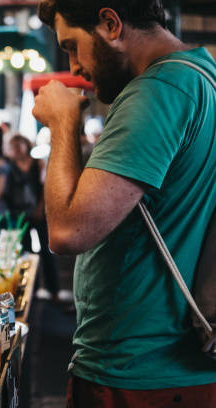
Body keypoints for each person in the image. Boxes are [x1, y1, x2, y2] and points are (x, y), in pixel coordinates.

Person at [33, 0, 216, 405]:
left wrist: (63, 123)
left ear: (111, 24)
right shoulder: (203, 76)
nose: (74, 65)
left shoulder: (157, 90)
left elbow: (68, 231)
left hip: (139, 367)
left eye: (71, 45)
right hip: (176, 361)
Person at [6, 134, 64, 302]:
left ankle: (54, 291)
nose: (16, 149)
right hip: (19, 214)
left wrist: (40, 208)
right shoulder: (9, 166)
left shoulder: (38, 163)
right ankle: (31, 289)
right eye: (13, 145)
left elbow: (45, 187)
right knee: (25, 252)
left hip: (38, 212)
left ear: (26, 145)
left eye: (19, 145)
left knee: (46, 251)